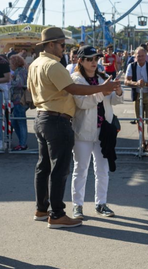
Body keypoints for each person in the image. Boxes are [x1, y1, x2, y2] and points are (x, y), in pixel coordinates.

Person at [28, 28, 119, 228]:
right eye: (62, 44)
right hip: (57, 120)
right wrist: (102, 89)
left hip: (42, 116)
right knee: (60, 169)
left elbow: (30, 92)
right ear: (51, 44)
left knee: (43, 167)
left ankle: (41, 209)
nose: (64, 48)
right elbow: (74, 89)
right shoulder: (54, 65)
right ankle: (58, 214)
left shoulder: (35, 63)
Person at [70, 46, 124, 219]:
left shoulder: (102, 77)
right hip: (84, 131)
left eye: (95, 58)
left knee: (102, 169)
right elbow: (82, 104)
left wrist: (117, 90)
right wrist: (103, 91)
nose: (94, 62)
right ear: (81, 61)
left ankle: (101, 203)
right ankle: (77, 205)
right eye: (89, 59)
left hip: (104, 131)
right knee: (81, 169)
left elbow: (114, 101)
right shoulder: (76, 79)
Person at [124, 47, 148, 152]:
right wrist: (136, 84)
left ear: (146, 56)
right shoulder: (131, 66)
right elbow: (126, 81)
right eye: (138, 56)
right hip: (137, 96)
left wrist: (145, 84)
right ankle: (142, 142)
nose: (140, 58)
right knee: (139, 120)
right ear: (135, 57)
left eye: (142, 56)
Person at [8, 54, 29, 151]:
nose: (10, 64)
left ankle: (23, 144)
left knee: (20, 122)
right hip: (18, 100)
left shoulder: (20, 71)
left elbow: (19, 84)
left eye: (11, 63)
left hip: (19, 100)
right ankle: (22, 142)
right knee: (15, 121)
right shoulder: (22, 70)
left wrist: (11, 81)